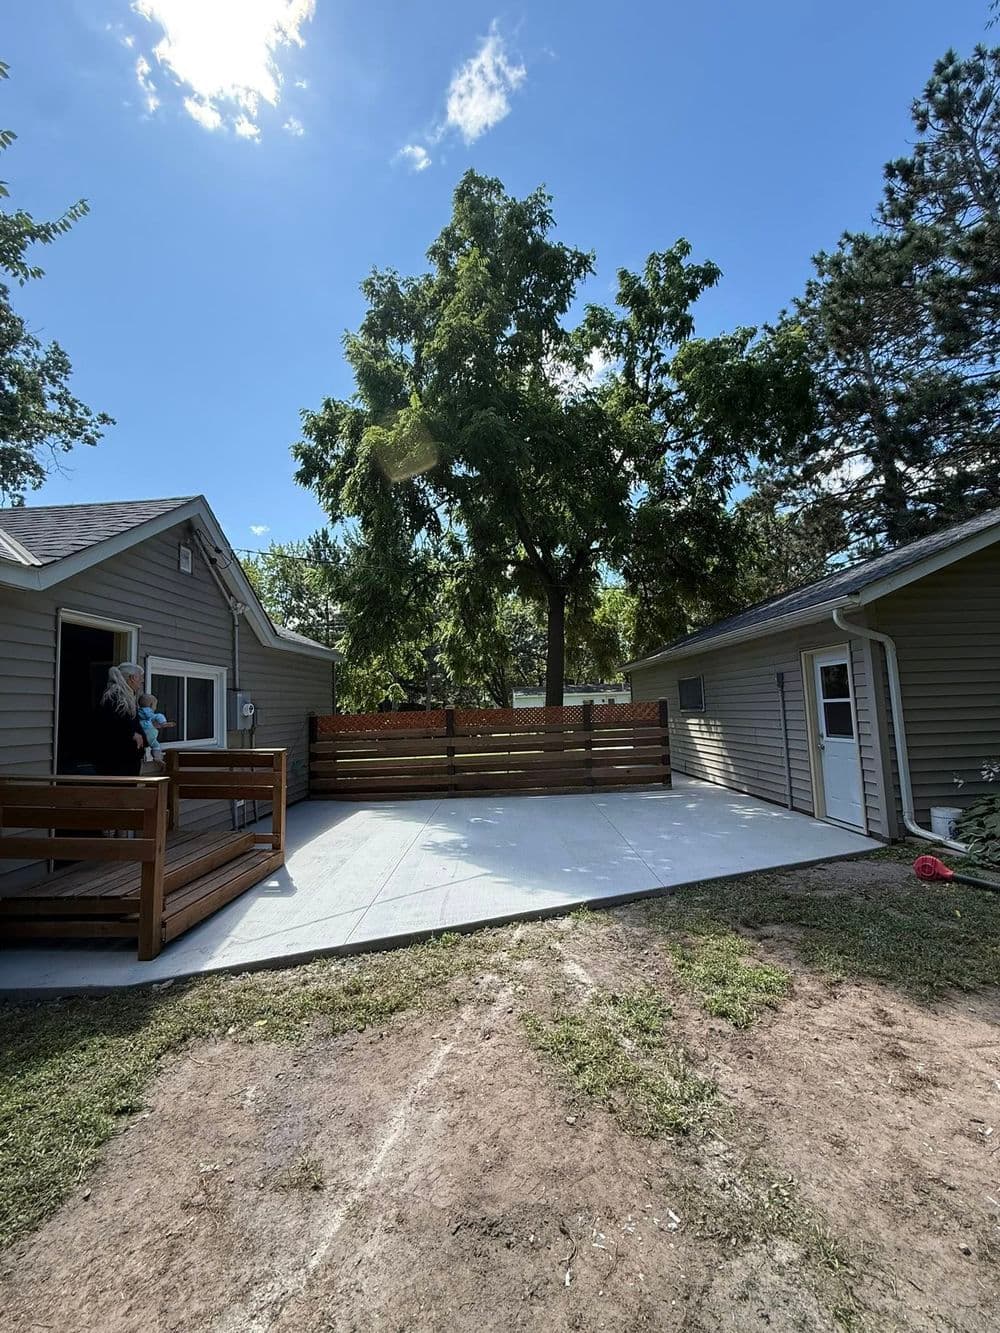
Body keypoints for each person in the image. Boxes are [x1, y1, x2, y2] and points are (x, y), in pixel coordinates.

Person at [94, 662, 146, 777]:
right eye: (140, 678)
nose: (142, 681)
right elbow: (111, 724)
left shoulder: (125, 697)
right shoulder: (116, 697)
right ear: (132, 678)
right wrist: (132, 734)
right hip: (118, 761)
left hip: (125, 759)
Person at [136, 693, 175, 760]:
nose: (155, 707)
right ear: (151, 705)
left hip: (140, 733)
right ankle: (157, 757)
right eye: (155, 705)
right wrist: (163, 723)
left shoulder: (137, 712)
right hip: (150, 733)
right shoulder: (149, 713)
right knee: (156, 746)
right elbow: (154, 717)